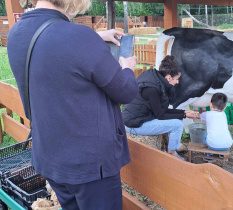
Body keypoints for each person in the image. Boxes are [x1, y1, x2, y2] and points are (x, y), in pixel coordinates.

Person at [7, 0, 138, 209]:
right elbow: (126, 91)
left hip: (50, 156)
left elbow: (49, 46)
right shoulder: (78, 37)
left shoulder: (16, 33)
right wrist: (127, 68)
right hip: (90, 166)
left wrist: (94, 37)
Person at [122, 55, 198, 160]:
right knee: (177, 124)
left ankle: (173, 147)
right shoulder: (152, 89)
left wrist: (184, 112)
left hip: (137, 117)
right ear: (169, 77)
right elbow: (161, 115)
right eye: (177, 79)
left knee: (176, 120)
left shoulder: (154, 78)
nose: (177, 82)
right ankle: (172, 154)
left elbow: (161, 110)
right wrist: (184, 115)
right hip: (134, 124)